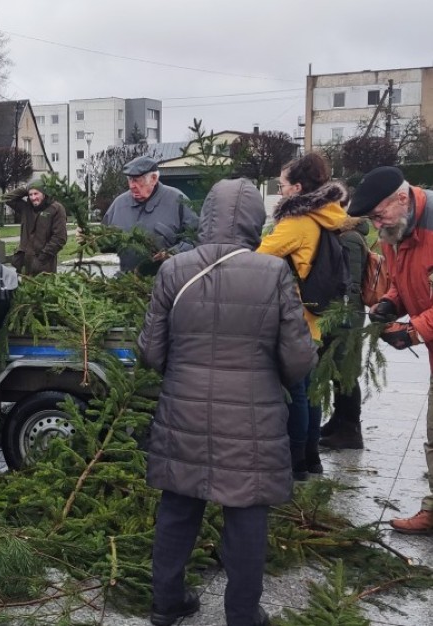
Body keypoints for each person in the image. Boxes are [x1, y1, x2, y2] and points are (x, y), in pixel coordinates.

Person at [138, 178, 317, 626]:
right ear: (255, 221)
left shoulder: (173, 271)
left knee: (178, 507)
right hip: (251, 420)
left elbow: (151, 353)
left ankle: (166, 604)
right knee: (246, 514)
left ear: (207, 217)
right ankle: (241, 614)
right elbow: (297, 361)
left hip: (184, 411)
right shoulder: (272, 272)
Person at [347, 166, 433, 533]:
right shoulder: (392, 231)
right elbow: (402, 281)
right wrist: (389, 304)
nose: (375, 225)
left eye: (377, 215)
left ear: (402, 197)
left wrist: (415, 330)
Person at [257, 152, 349, 480]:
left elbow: (258, 258)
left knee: (297, 391)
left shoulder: (297, 222)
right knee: (310, 390)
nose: (279, 191)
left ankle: (294, 463)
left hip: (296, 317)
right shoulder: (328, 214)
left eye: (281, 186)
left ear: (296, 188)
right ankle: (311, 458)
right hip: (317, 317)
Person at [319, 216, 370, 450]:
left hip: (346, 314)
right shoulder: (343, 235)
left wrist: (342, 314)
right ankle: (338, 422)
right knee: (338, 372)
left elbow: (351, 282)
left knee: (345, 372)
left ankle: (350, 431)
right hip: (342, 313)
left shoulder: (349, 238)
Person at [101, 156, 198, 273]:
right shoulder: (119, 204)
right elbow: (104, 242)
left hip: (168, 282)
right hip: (129, 283)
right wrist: (87, 238)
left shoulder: (177, 201)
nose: (132, 185)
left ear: (153, 178)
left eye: (137, 180)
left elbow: (196, 237)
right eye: (130, 180)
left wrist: (173, 253)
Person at [4, 178, 68, 275]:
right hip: (24, 265)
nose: (33, 198)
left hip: (45, 267)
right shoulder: (26, 208)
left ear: (44, 193)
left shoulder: (56, 209)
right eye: (30, 194)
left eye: (36, 193)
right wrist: (26, 188)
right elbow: (6, 198)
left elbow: (59, 238)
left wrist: (41, 259)